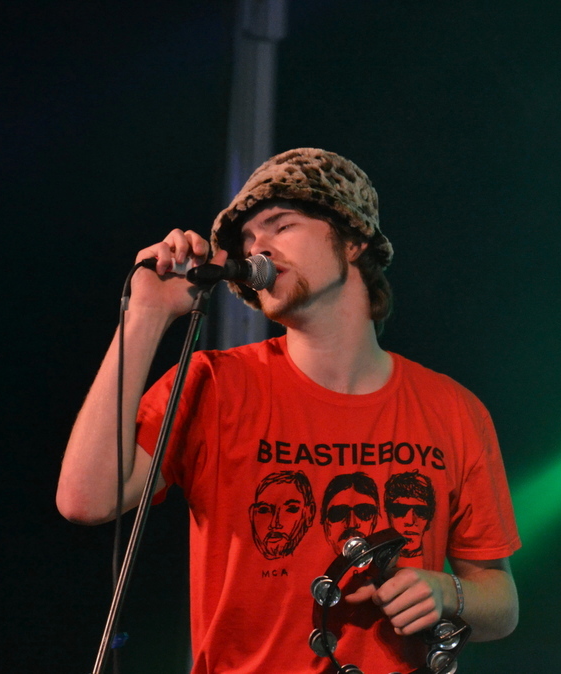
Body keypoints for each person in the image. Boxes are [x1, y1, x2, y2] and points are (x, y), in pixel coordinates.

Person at [57, 148, 521, 673]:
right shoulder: (213, 385)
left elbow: (501, 602)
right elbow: (85, 499)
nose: (259, 247)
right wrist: (147, 313)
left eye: (282, 225)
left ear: (353, 239)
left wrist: (445, 591)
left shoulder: (452, 408)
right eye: (249, 239)